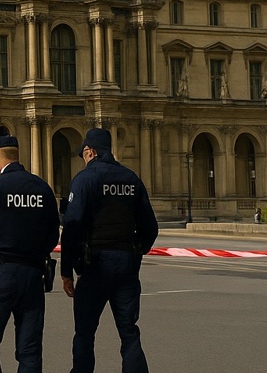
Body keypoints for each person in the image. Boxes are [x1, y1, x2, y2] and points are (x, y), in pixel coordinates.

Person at [60, 128, 159, 373]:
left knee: (84, 331)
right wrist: (137, 250)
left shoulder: (84, 179)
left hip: (95, 264)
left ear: (90, 152)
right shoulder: (131, 178)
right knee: (128, 330)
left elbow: (71, 228)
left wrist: (66, 271)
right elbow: (150, 226)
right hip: (126, 263)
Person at [0, 135, 61, 373]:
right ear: (18, 155)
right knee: (29, 349)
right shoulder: (41, 188)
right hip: (33, 275)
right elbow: (52, 233)